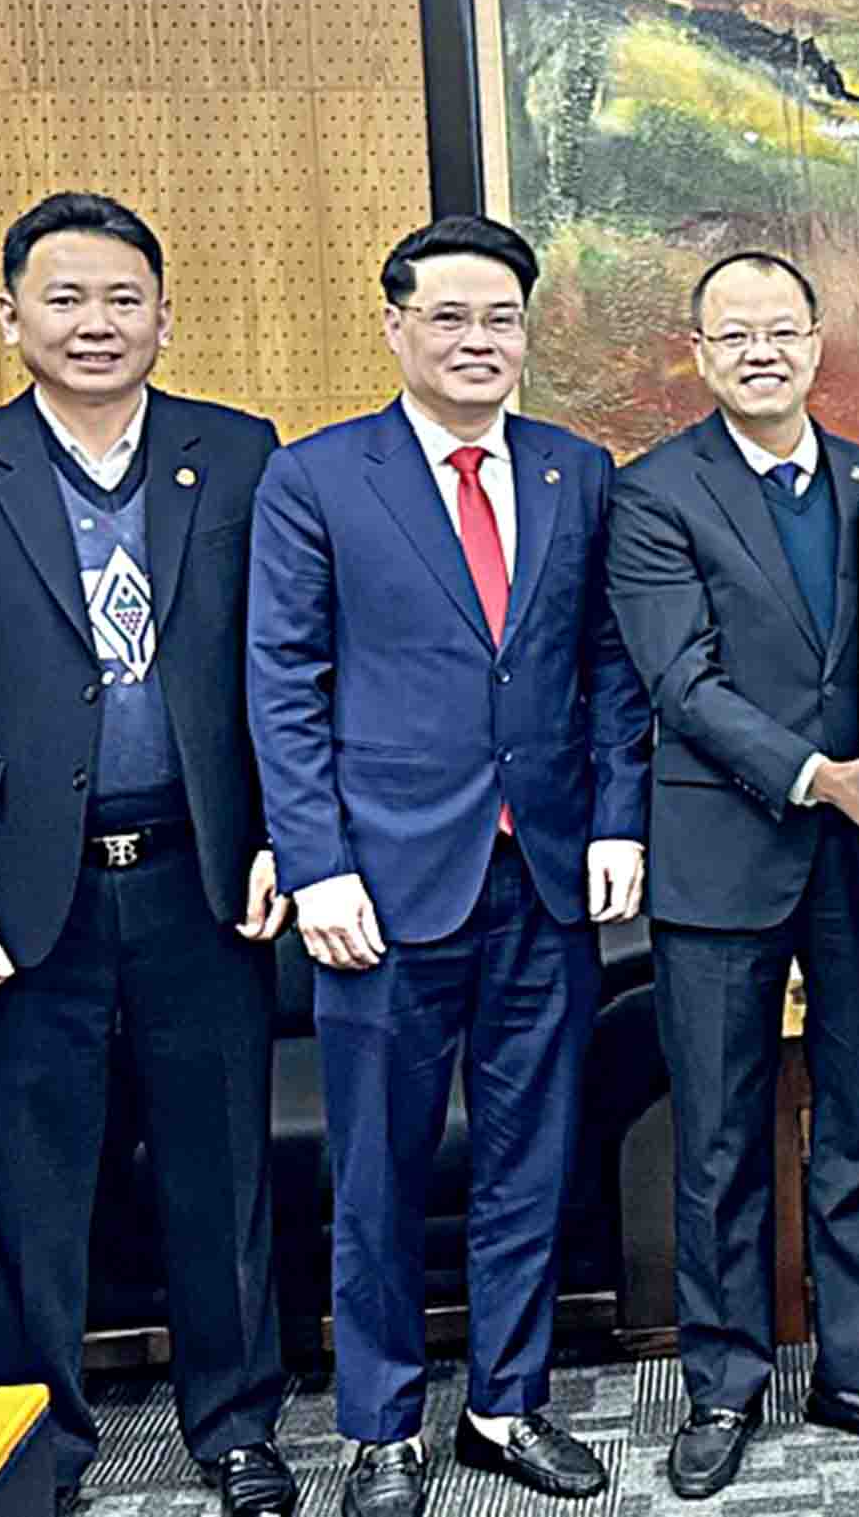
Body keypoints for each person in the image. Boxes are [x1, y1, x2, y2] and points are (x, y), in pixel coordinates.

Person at [0, 193, 296, 1516]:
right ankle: (32, 1443)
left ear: (165, 315)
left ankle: (237, 1428)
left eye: (124, 297)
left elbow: (283, 666)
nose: (97, 322)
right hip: (16, 890)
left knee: (220, 1173)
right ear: (11, 317)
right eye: (66, 298)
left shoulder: (236, 454)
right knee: (27, 1183)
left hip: (201, 874)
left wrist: (284, 833)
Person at [246, 217, 650, 1510]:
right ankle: (378, 1428)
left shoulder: (572, 471)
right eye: (452, 318)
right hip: (383, 885)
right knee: (378, 1167)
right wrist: (316, 864)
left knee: (532, 1152)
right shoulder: (316, 477)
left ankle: (505, 1401)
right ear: (396, 328)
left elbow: (606, 667)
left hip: (542, 876)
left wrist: (619, 822)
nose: (480, 342)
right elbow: (284, 687)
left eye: (502, 320)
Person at [606, 251, 859, 1499]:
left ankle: (856, 1371)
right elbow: (679, 684)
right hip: (725, 852)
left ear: (817, 343)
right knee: (716, 1139)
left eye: (783, 331)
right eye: (734, 334)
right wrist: (819, 775)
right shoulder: (652, 495)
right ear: (697, 354)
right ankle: (720, 1384)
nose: (762, 352)